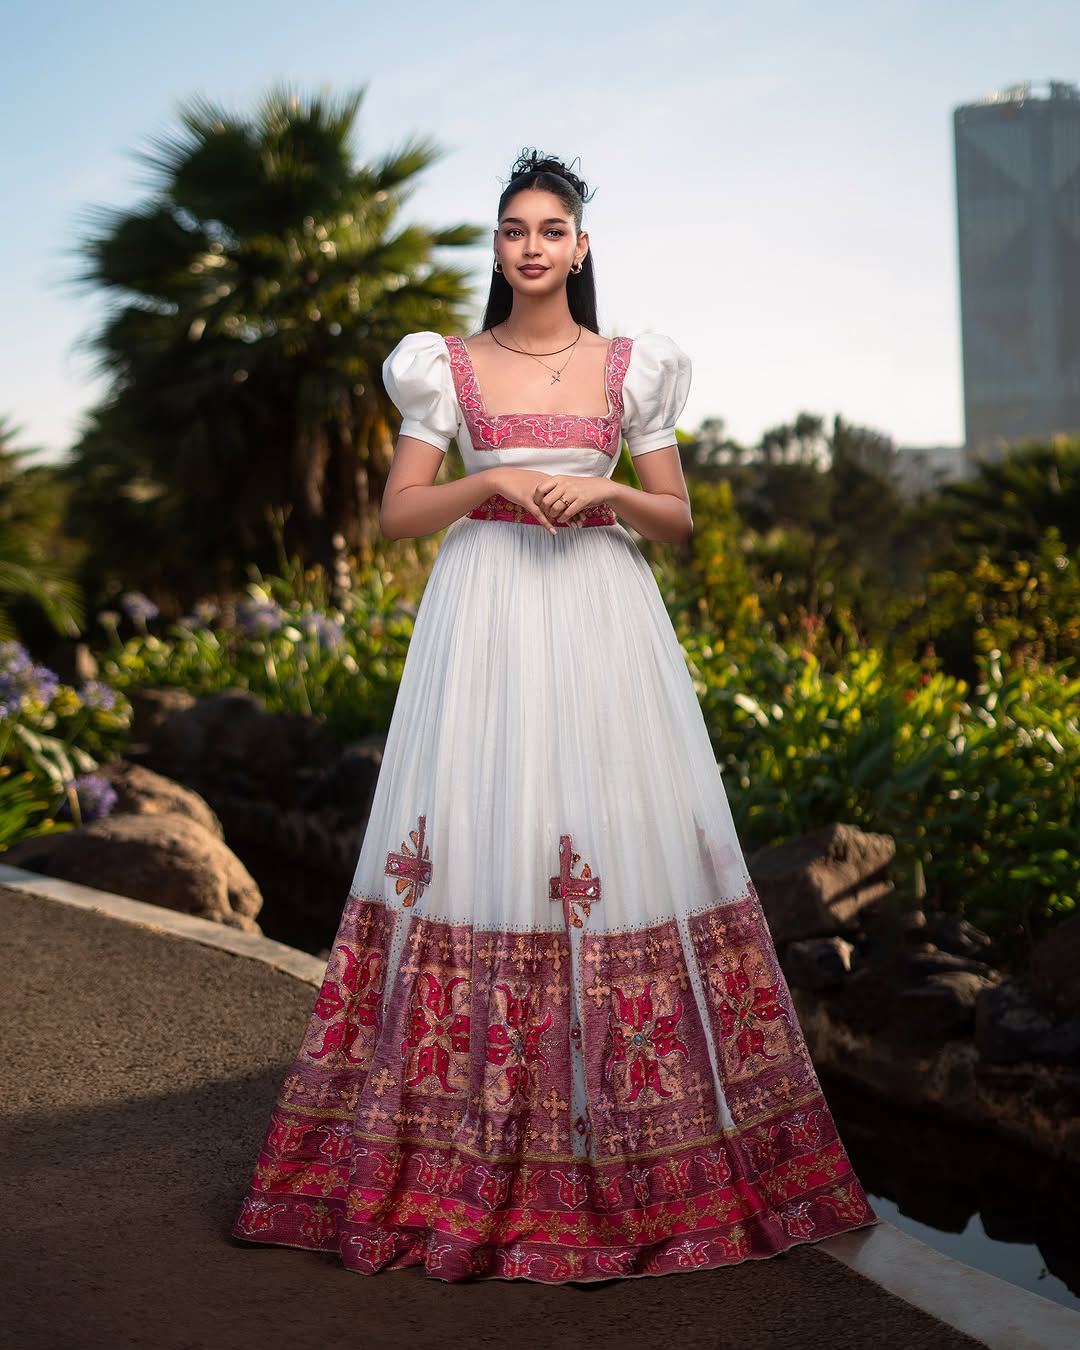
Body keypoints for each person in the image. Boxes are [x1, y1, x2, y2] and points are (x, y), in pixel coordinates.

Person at [230, 149, 875, 1284]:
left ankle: (638, 1151)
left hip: (599, 617)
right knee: (487, 841)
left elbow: (673, 520)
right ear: (499, 246)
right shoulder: (446, 366)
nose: (531, 246)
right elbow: (396, 515)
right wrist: (489, 485)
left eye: (552, 228)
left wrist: (610, 491)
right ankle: (453, 1155)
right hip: (485, 620)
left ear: (581, 247)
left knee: (608, 845)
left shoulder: (632, 372)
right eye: (513, 229)